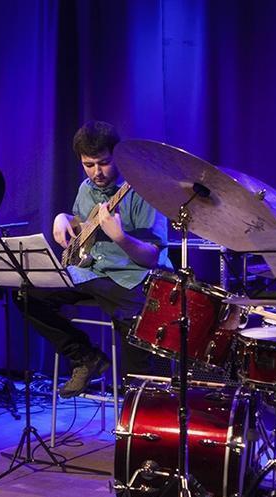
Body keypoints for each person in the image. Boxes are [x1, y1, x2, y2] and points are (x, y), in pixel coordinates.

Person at [20, 121, 170, 397]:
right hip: (91, 272)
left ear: (117, 156)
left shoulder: (142, 190)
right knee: (28, 296)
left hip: (131, 276)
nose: (97, 172)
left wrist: (121, 237)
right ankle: (85, 358)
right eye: (89, 165)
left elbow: (152, 258)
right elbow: (85, 227)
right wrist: (63, 218)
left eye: (103, 163)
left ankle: (139, 405)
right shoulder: (85, 189)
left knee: (137, 325)